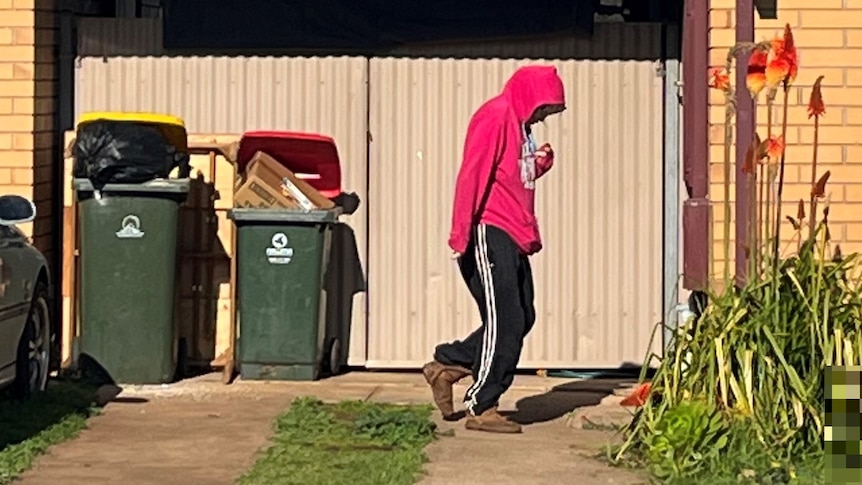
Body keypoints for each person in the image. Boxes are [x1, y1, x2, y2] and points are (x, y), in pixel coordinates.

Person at [423, 65, 566, 434]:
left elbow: (509, 174)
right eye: (543, 108)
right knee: (506, 320)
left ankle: (450, 364)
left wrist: (539, 163)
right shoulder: (496, 116)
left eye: (549, 111)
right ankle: (482, 404)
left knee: (522, 316)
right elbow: (473, 172)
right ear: (528, 96)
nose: (543, 115)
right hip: (489, 230)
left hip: (513, 233)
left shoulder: (521, 127)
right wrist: (460, 232)